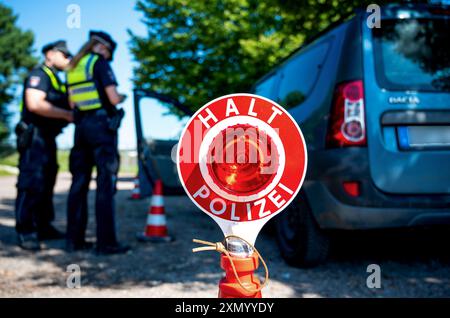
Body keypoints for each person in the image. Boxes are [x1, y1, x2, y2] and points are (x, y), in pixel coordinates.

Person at [66, 30, 128, 254]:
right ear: (103, 48)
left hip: (81, 128)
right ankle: (106, 243)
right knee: (105, 183)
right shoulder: (99, 63)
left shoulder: (73, 66)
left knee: (79, 183)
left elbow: (72, 102)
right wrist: (121, 98)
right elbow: (113, 97)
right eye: (109, 52)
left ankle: (74, 241)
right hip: (102, 127)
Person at [15, 40, 73, 250]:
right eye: (64, 55)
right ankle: (26, 229)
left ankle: (43, 225)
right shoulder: (39, 74)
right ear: (50, 54)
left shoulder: (56, 79)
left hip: (48, 137)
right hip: (34, 136)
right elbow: (35, 103)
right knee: (31, 181)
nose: (68, 59)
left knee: (47, 180)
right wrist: (67, 114)